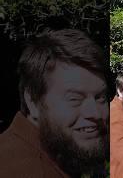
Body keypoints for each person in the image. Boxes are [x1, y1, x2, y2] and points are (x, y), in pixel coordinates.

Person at [0, 29, 108, 177]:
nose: (95, 113)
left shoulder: (55, 155)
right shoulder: (24, 170)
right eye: (74, 99)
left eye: (100, 97)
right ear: (33, 101)